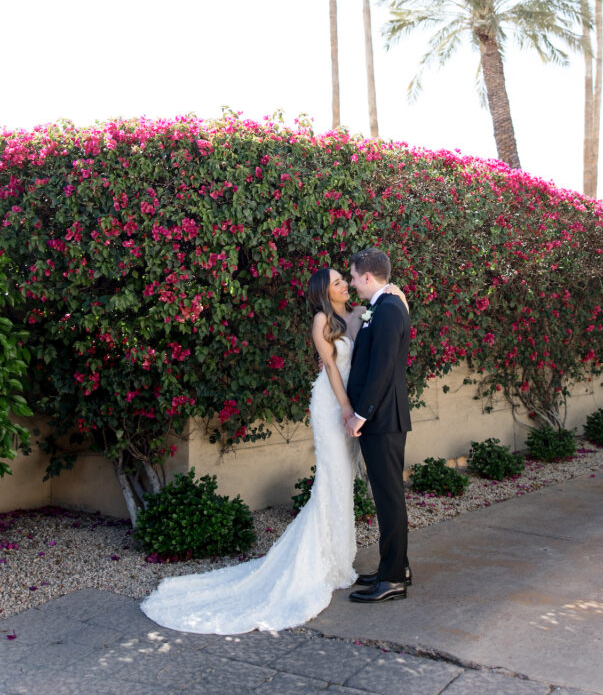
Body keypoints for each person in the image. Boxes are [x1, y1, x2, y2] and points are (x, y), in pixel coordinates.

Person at [140, 265, 407, 634]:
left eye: (346, 280)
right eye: (337, 282)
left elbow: (386, 312)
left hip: (360, 408)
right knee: (331, 480)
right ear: (323, 292)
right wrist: (347, 409)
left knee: (345, 483)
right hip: (334, 406)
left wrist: (395, 291)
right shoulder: (321, 321)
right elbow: (330, 368)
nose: (345, 285)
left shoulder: (362, 313)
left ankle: (340, 561)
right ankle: (320, 563)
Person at [345, 247, 412, 603]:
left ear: (368, 276)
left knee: (389, 499)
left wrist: (361, 413)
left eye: (354, 276)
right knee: (388, 497)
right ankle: (396, 566)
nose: (352, 281)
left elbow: (382, 369)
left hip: (383, 419)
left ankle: (392, 579)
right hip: (384, 418)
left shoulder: (387, 310)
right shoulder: (383, 307)